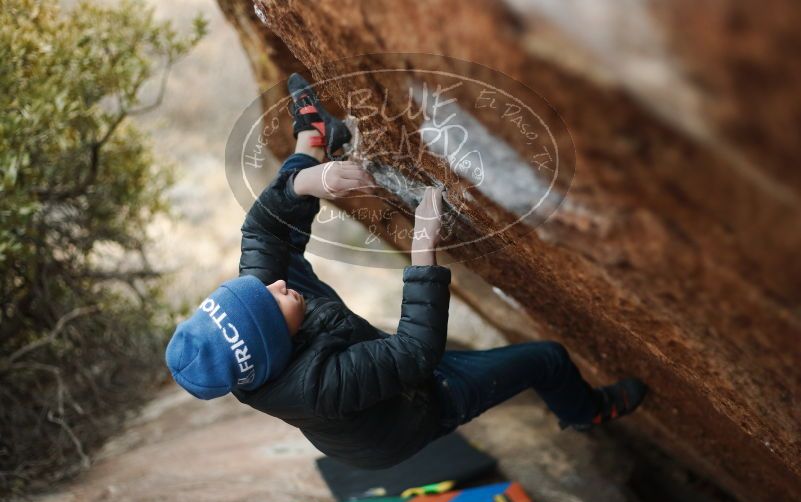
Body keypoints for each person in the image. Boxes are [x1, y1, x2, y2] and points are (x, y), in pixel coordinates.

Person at [165, 74, 647, 469]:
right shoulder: (320, 387)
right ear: (275, 341)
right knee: (547, 359)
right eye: (270, 300)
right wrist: (422, 252)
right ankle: (586, 411)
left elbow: (263, 236)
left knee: (280, 242)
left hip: (335, 349)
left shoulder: (265, 308)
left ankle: (315, 139)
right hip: (416, 408)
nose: (273, 285)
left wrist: (307, 182)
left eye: (256, 287)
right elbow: (415, 354)